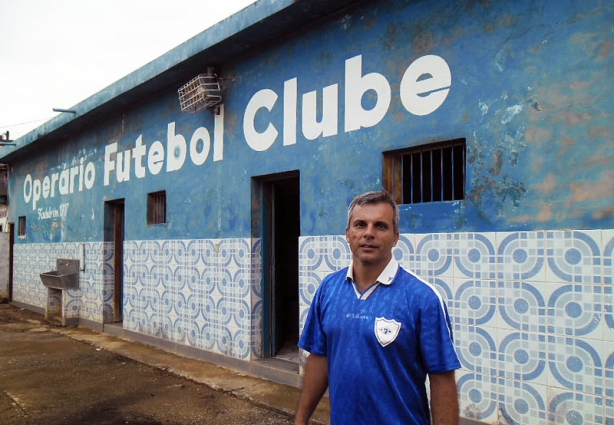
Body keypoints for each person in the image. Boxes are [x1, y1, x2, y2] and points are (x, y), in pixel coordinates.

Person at [295, 190, 461, 425]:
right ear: (348, 234)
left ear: (395, 237)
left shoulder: (423, 298)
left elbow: (442, 378)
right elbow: (319, 358)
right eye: (360, 225)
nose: (368, 233)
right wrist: (300, 420)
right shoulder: (328, 289)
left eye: (380, 226)